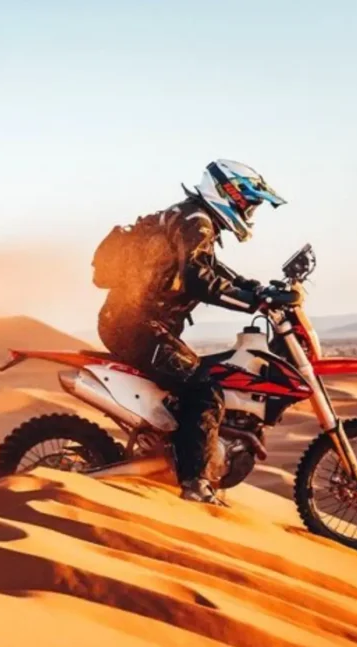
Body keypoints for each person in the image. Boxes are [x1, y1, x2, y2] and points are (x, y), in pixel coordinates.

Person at [93, 159, 290, 504]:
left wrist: (256, 289)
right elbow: (201, 280)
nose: (250, 212)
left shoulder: (193, 220)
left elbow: (211, 268)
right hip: (134, 326)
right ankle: (195, 484)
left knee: (197, 381)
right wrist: (253, 302)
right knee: (204, 389)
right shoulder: (195, 221)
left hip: (136, 324)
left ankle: (176, 451)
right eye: (249, 203)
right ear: (229, 194)